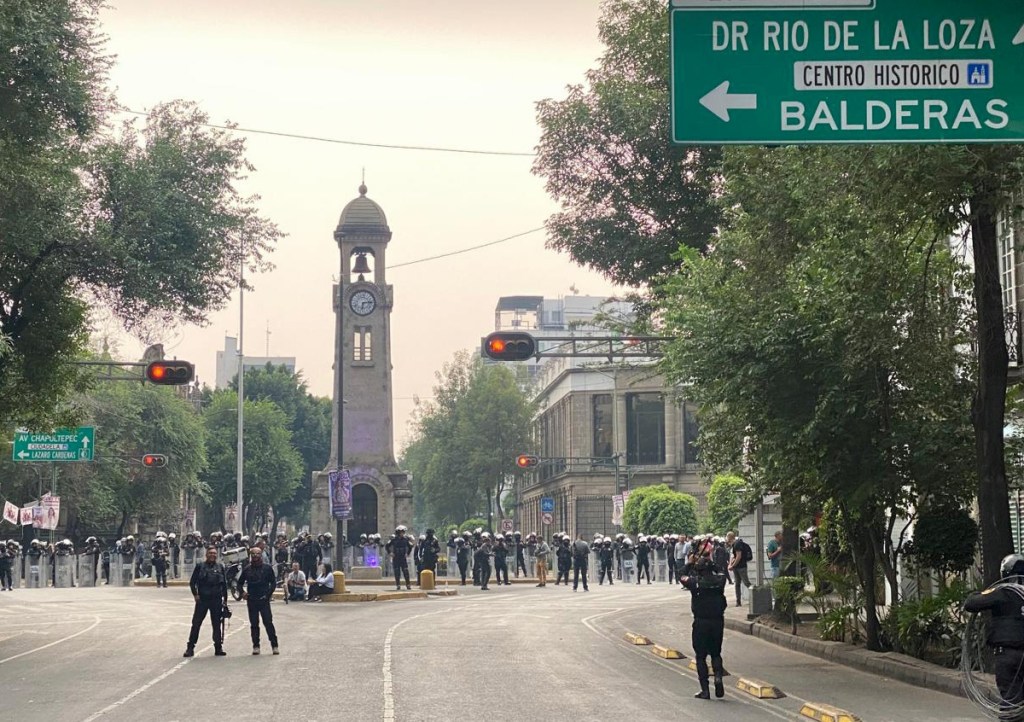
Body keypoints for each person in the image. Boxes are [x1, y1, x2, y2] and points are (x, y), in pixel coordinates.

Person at [964, 554, 1024, 710]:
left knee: (1011, 701)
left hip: (1007, 655)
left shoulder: (1002, 593)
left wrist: (979, 593)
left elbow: (971, 603)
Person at [680, 554, 728, 700]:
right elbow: (722, 571)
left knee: (700, 656)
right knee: (715, 653)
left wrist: (689, 563)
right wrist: (712, 564)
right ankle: (718, 677)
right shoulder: (720, 581)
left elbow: (681, 575)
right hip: (717, 621)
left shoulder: (695, 582)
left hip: (701, 622)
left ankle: (705, 690)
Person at [185, 546, 228, 657]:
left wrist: (225, 601)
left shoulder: (220, 567)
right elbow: (192, 582)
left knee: (216, 624)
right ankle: (190, 648)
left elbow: (224, 585)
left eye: (214, 553)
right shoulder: (200, 567)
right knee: (196, 624)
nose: (212, 555)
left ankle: (218, 647)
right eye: (210, 553)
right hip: (203, 600)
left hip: (216, 600)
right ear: (206, 555)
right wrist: (195, 595)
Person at [237, 547, 279, 655]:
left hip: (264, 600)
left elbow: (273, 583)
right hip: (252, 600)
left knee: (268, 623)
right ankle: (256, 646)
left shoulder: (267, 568)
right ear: (250, 555)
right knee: (254, 624)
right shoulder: (247, 569)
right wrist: (242, 593)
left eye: (258, 554)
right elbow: (239, 583)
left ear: (261, 555)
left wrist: (268, 595)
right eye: (253, 554)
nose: (255, 556)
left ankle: (274, 645)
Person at [728, 532, 752, 607]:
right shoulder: (734, 544)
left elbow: (738, 556)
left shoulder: (737, 544)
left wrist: (733, 565)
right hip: (737, 567)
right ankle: (738, 601)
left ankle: (755, 596)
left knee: (746, 582)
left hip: (741, 567)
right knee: (737, 584)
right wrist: (731, 564)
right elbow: (733, 556)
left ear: (729, 537)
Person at [388, 525, 413, 591]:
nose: (403, 533)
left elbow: (410, 546)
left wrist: (407, 553)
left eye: (403, 532)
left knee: (405, 571)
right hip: (396, 557)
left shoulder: (405, 539)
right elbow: (387, 546)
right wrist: (390, 553)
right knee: (397, 572)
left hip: (403, 557)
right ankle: (398, 585)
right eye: (402, 532)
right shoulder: (394, 540)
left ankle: (408, 584)